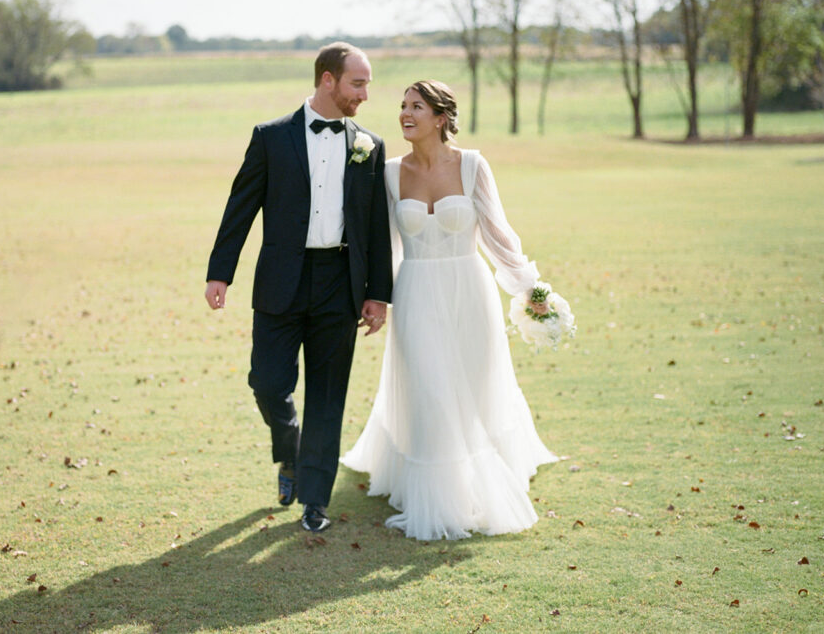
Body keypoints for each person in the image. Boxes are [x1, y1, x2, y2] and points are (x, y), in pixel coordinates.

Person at [341, 79, 559, 541]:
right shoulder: (391, 172)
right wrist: (373, 297)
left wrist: (531, 290)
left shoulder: (474, 165)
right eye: (402, 106)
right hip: (417, 289)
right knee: (430, 389)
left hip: (469, 290)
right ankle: (438, 501)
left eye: (416, 106)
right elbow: (384, 245)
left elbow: (499, 235)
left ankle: (478, 483)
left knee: (474, 389)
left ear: (440, 118)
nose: (405, 113)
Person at [205, 42, 392, 533]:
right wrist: (220, 271)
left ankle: (314, 501)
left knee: (328, 397)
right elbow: (239, 206)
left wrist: (378, 294)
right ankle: (289, 449)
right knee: (267, 383)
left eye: (367, 83)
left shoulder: (369, 145)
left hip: (341, 283)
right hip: (280, 282)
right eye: (358, 83)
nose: (366, 94)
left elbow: (375, 226)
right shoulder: (271, 138)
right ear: (327, 80)